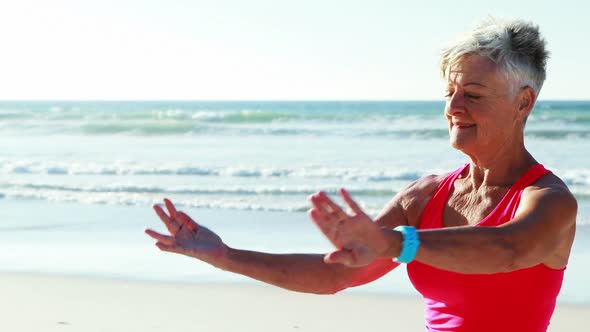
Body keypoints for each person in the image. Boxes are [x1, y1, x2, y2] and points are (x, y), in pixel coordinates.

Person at [145, 17, 577, 332]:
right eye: (450, 92)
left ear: (523, 103)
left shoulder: (548, 200)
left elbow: (507, 249)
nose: (453, 107)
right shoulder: (424, 196)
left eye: (474, 94)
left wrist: (394, 243)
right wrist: (224, 255)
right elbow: (337, 274)